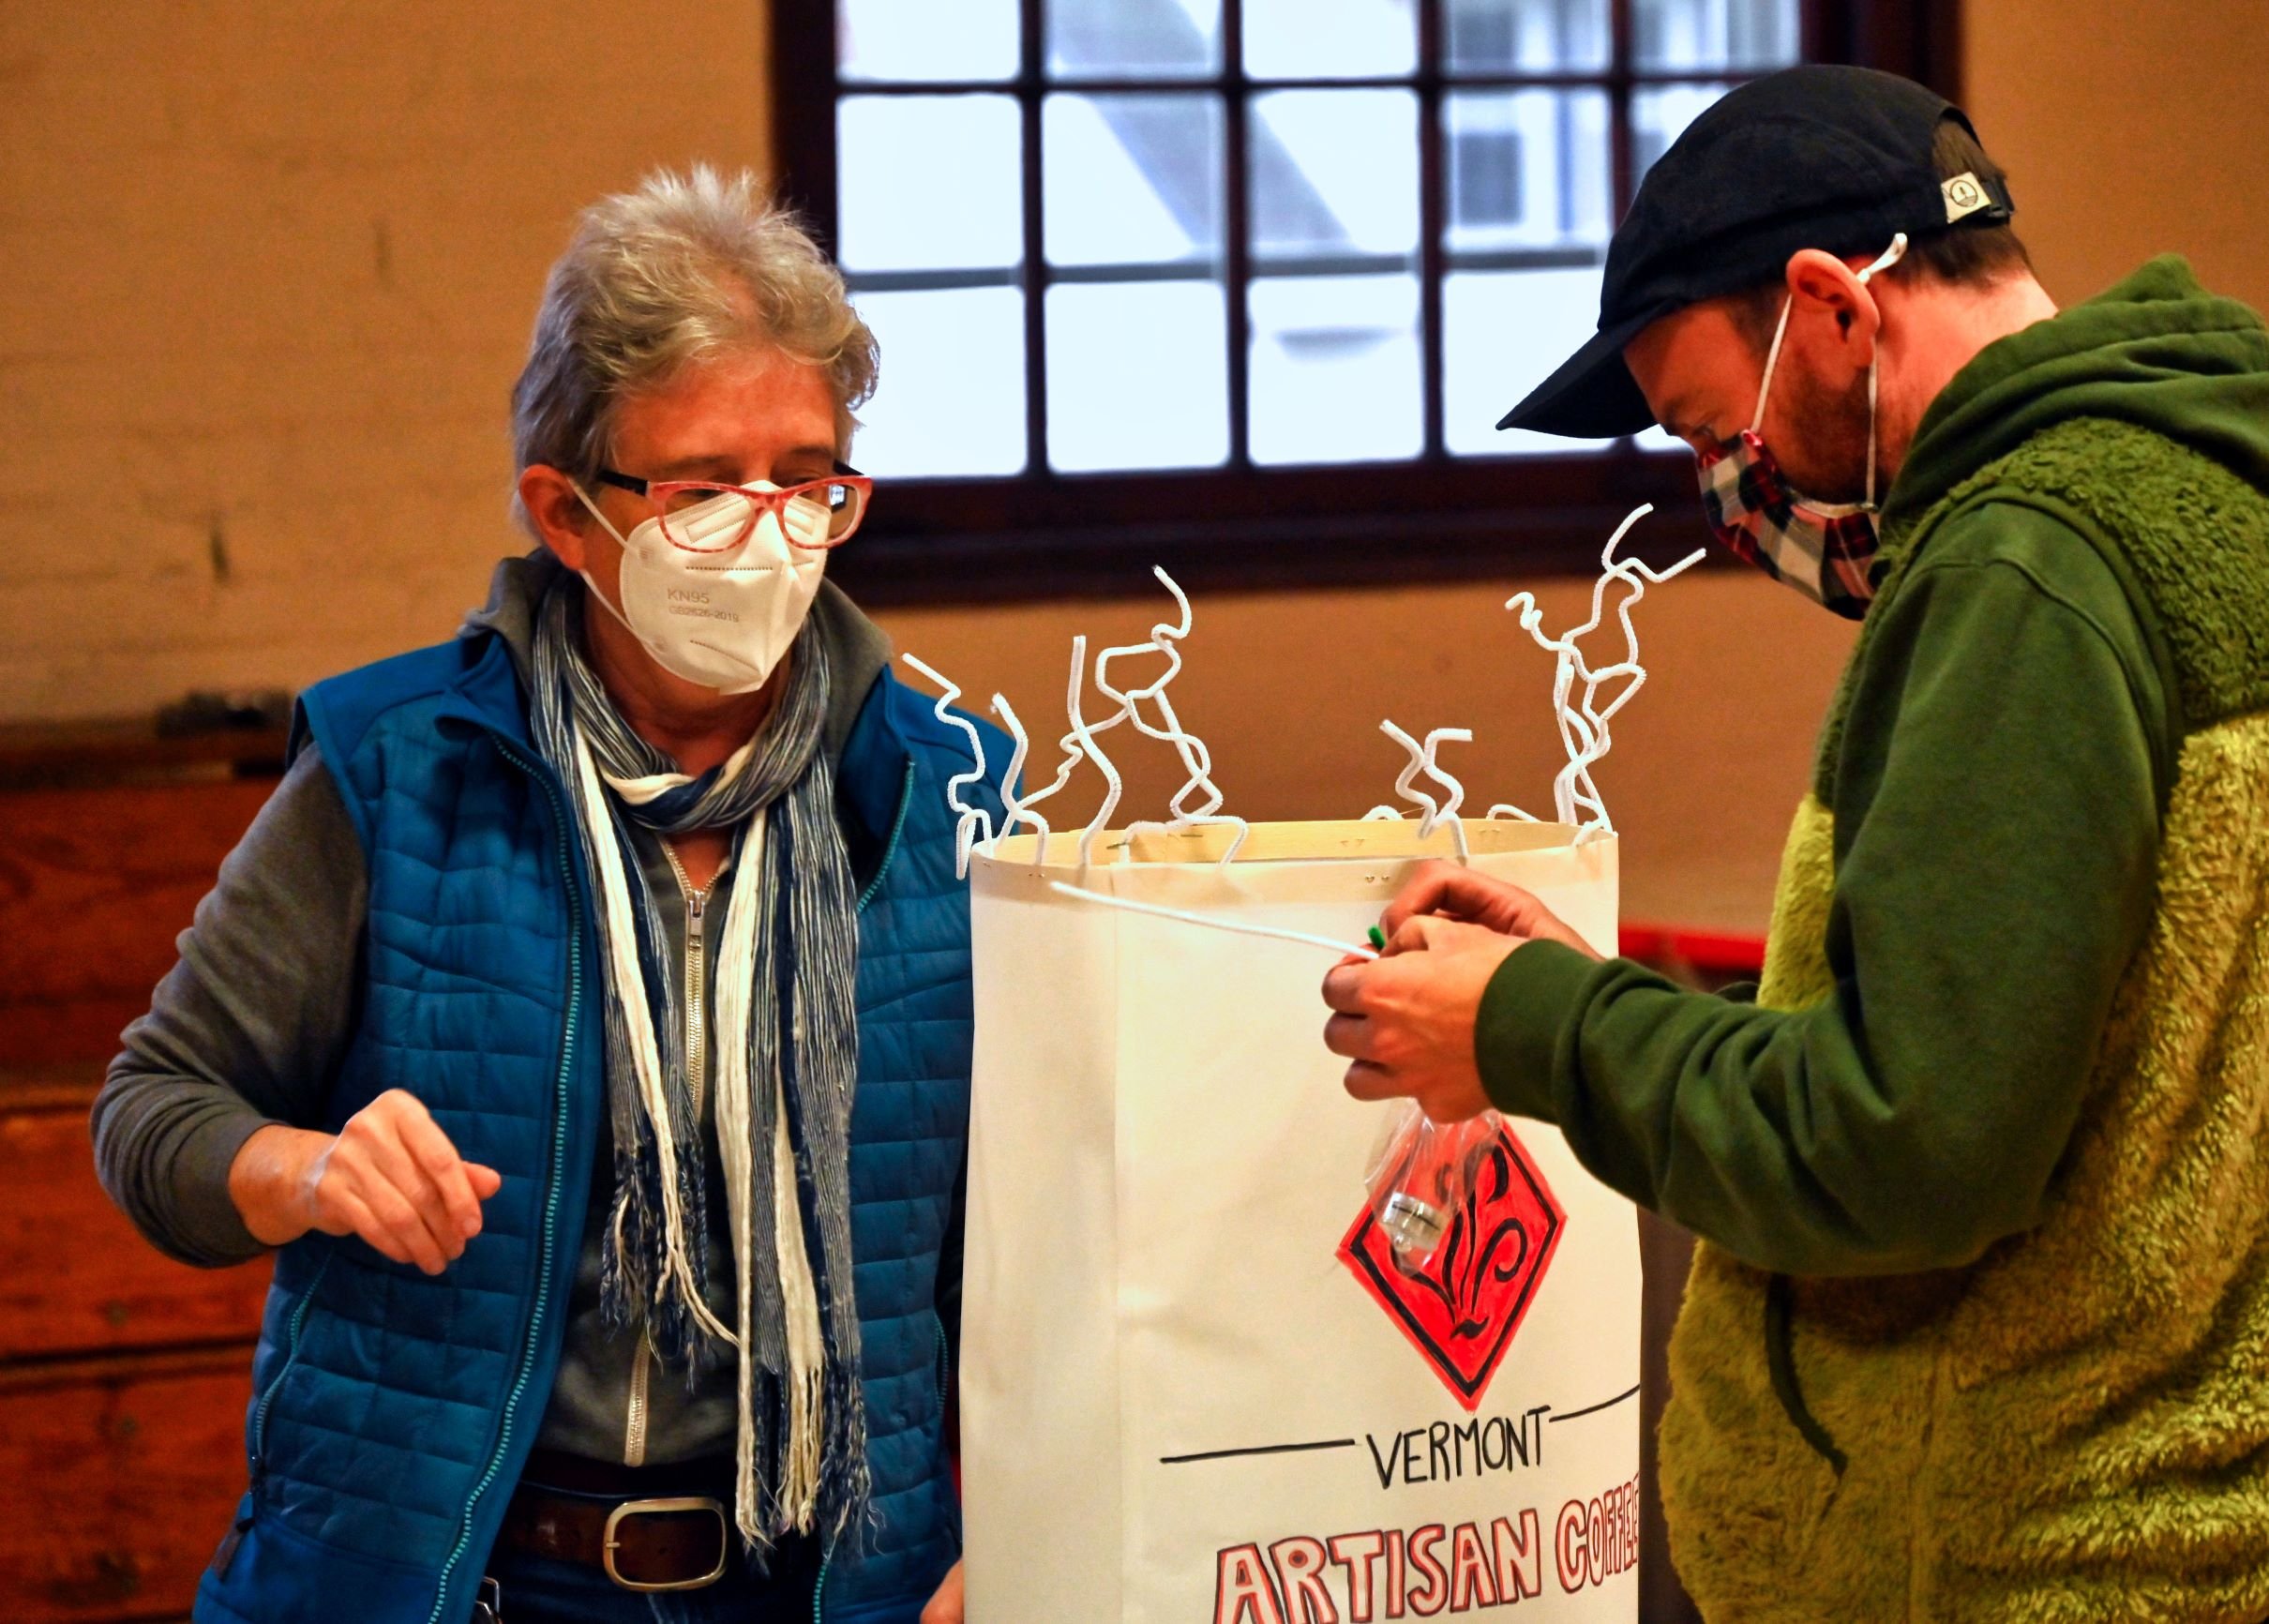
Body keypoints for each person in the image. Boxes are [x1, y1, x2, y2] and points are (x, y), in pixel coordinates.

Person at [1322, 66, 2269, 1622]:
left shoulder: (2022, 573)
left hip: (2032, 1547)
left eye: (1715, 428)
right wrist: (1595, 991)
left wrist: (1535, 1034)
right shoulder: (2203, 497)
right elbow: (2055, 1064)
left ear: (1838, 308)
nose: (1726, 491)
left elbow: (1906, 1149)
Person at [93, 167, 996, 1624]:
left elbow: (1029, 1226)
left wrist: (1012, 1519)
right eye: (704, 491)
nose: (766, 536)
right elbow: (155, 1113)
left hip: (827, 1584)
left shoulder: (938, 786)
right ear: (567, 514)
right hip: (461, 1577)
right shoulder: (401, 768)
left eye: (809, 479)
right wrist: (310, 1172)